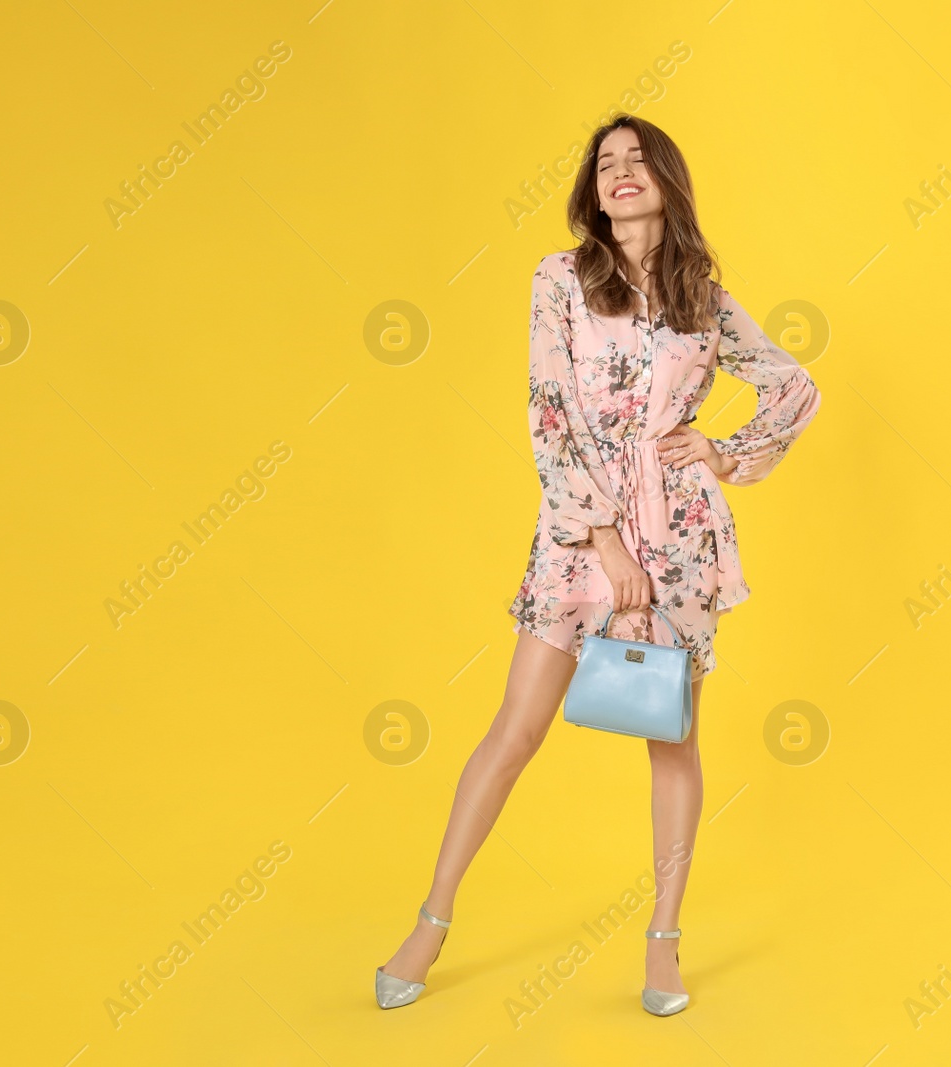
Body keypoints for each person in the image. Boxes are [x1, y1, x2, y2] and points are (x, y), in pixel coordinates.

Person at [375, 113, 822, 1017]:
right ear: (594, 190)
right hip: (585, 532)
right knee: (516, 729)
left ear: (666, 179)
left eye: (636, 160)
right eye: (605, 163)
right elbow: (549, 413)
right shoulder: (559, 280)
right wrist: (606, 541)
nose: (619, 173)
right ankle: (432, 915)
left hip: (681, 536)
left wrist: (727, 454)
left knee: (673, 735)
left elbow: (794, 384)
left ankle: (663, 940)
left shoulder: (703, 293)